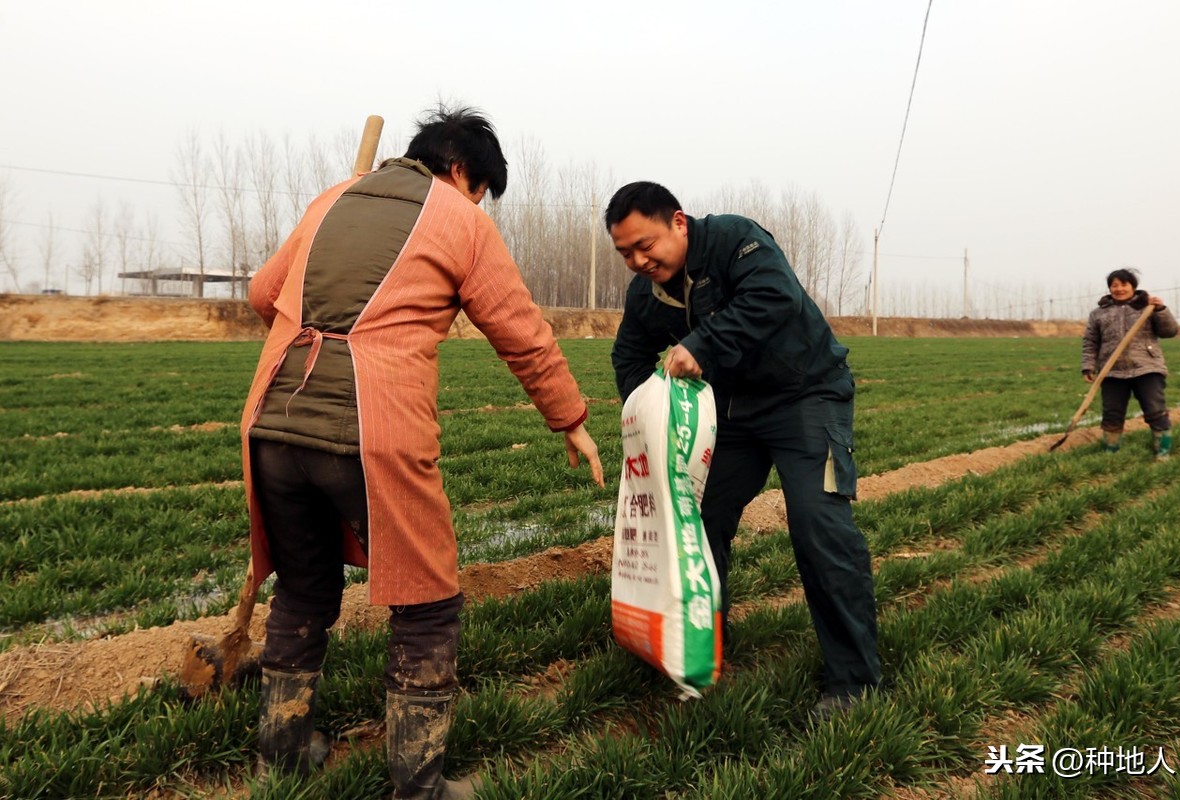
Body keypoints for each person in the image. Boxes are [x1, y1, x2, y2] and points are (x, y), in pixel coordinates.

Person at [240, 105, 604, 798]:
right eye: (481, 190)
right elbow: (519, 330)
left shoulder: (332, 199)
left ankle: (280, 757)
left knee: (303, 589)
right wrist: (570, 419)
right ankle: (419, 785)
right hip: (372, 430)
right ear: (463, 170)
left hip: (271, 422)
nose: (478, 204)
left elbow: (264, 293)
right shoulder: (460, 219)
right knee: (428, 600)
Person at [606, 181, 880, 720]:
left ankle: (854, 681)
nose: (639, 260)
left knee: (816, 521)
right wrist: (647, 417)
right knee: (698, 517)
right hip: (731, 411)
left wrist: (699, 346)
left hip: (806, 394)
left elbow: (775, 297)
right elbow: (629, 356)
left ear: (678, 223)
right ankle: (702, 645)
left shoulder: (735, 240)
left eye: (646, 245)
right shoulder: (646, 293)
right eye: (625, 253)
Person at [1081, 267, 1178, 458]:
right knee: (1112, 413)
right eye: (1114, 285)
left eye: (1123, 284)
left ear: (1133, 286)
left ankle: (1163, 450)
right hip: (1112, 370)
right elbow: (1090, 342)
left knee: (1155, 410)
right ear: (1109, 289)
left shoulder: (1147, 307)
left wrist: (1160, 311)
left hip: (1146, 367)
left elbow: (1169, 331)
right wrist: (1088, 366)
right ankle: (1111, 450)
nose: (1119, 289)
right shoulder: (1099, 314)